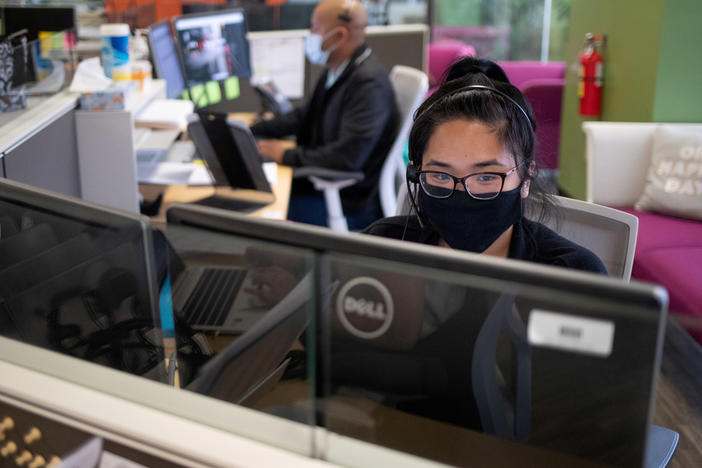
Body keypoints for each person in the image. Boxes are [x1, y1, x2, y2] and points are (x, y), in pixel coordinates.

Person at [364, 57, 607, 274]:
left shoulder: (573, 275)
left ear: (526, 178)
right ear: (417, 173)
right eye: (440, 175)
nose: (462, 194)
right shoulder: (380, 250)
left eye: (486, 177)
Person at [251, 0, 399, 231]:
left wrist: (286, 154)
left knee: (256, 209)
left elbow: (348, 157)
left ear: (339, 35)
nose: (310, 35)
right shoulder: (338, 69)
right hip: (320, 188)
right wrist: (251, 130)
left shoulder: (369, 85)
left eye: (314, 28)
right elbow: (304, 116)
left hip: (347, 204)